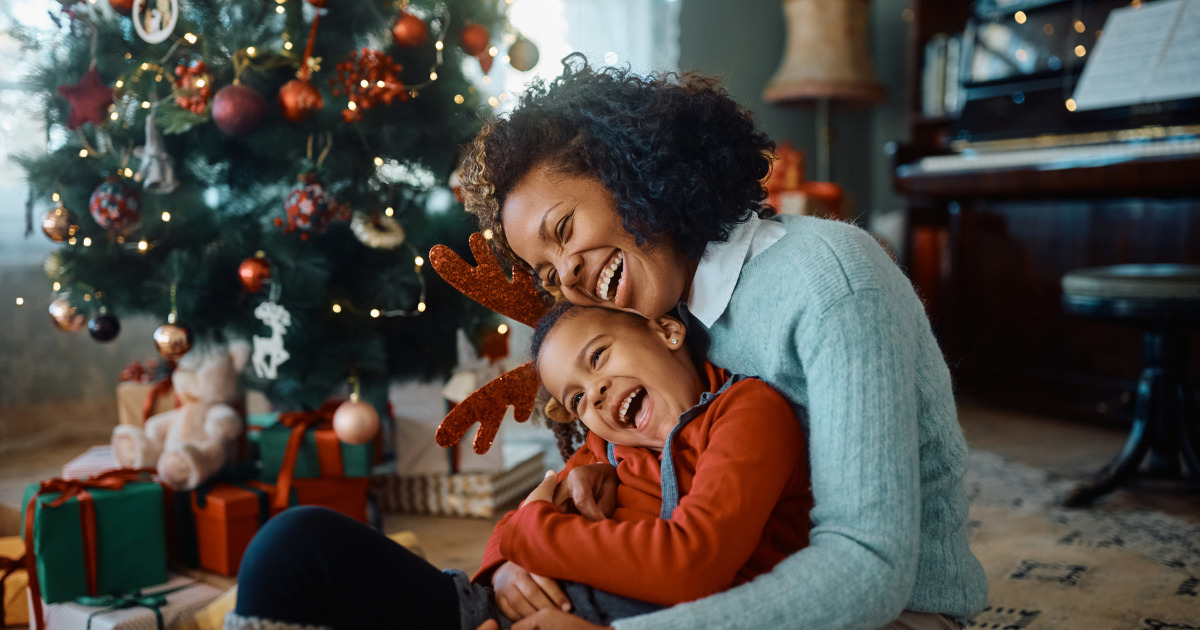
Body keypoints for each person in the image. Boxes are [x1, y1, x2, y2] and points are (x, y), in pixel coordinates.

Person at [457, 54, 988, 630]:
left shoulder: (829, 280)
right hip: (727, 591)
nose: (569, 276)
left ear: (624, 170)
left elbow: (867, 569)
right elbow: (588, 467)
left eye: (563, 230)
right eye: (550, 275)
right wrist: (506, 566)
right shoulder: (661, 311)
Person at [226, 302, 812, 630]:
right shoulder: (608, 449)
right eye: (579, 399)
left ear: (666, 330)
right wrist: (502, 569)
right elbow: (509, 537)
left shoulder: (745, 411)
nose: (597, 396)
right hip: (491, 612)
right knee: (293, 541)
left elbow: (691, 566)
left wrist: (528, 530)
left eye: (599, 357)